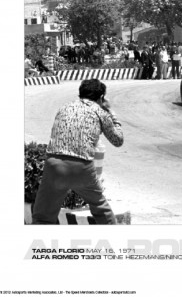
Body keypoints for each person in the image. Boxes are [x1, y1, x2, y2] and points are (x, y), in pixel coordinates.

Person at [32, 79, 124, 224]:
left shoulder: (64, 108)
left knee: (43, 217)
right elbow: (118, 140)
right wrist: (111, 112)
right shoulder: (101, 112)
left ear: (80, 94)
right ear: (101, 98)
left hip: (54, 164)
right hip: (81, 167)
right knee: (100, 209)